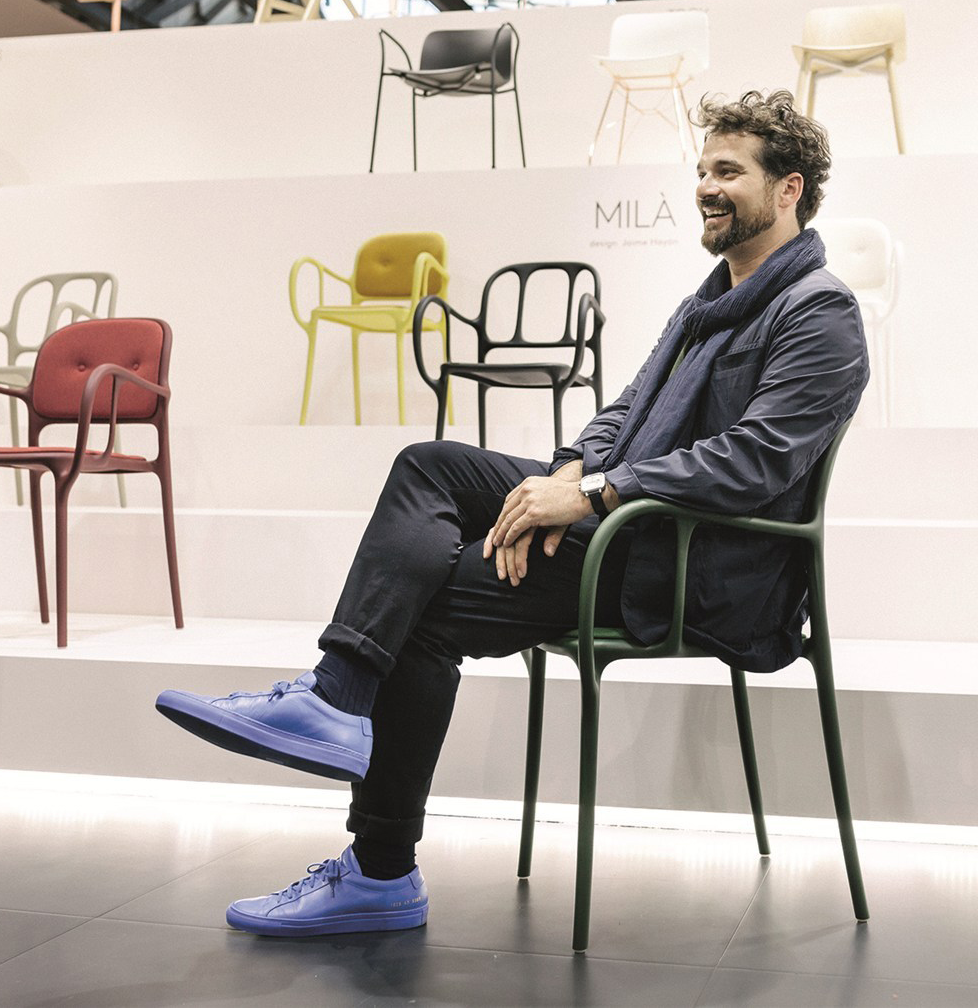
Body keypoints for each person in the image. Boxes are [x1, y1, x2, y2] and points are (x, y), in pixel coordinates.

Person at [154, 89, 869, 938]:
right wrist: (564, 477)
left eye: (728, 171)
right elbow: (622, 412)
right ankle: (335, 697)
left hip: (691, 567)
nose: (707, 187)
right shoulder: (703, 305)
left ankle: (379, 870)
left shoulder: (820, 310)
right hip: (628, 526)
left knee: (421, 606)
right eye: (703, 170)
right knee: (429, 464)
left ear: (788, 189)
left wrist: (593, 495)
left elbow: (754, 461)